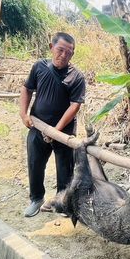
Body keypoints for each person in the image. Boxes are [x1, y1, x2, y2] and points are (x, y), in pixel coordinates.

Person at [20, 32, 86, 217]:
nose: (64, 55)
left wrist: (56, 131)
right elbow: (27, 89)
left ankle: (63, 201)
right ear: (51, 47)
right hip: (37, 126)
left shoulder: (77, 77)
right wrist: (23, 114)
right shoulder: (39, 67)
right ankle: (36, 199)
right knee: (35, 163)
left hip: (63, 132)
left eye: (69, 52)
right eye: (60, 50)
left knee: (65, 167)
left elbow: (75, 106)